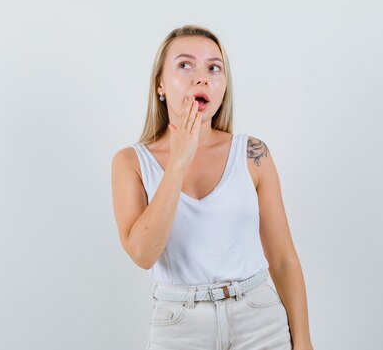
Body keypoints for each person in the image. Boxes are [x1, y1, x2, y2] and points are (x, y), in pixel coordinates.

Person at [111, 25, 314, 350]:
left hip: (259, 320)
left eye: (213, 67)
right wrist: (177, 163)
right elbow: (143, 254)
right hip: (179, 326)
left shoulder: (252, 154)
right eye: (185, 65)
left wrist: (303, 342)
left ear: (223, 86)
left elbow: (283, 259)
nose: (201, 77)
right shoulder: (130, 163)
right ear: (160, 85)